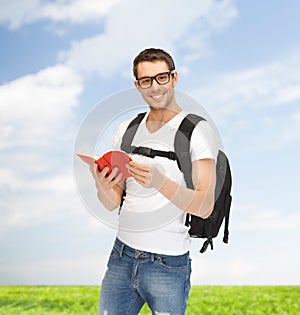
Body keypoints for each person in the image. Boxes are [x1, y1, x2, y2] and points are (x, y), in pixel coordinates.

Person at [90, 48, 217, 315]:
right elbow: (112, 202)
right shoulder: (126, 130)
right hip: (121, 257)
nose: (155, 87)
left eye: (162, 77)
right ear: (137, 85)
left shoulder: (198, 131)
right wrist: (102, 185)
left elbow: (204, 206)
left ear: (174, 78)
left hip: (168, 265)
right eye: (146, 80)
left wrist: (161, 183)